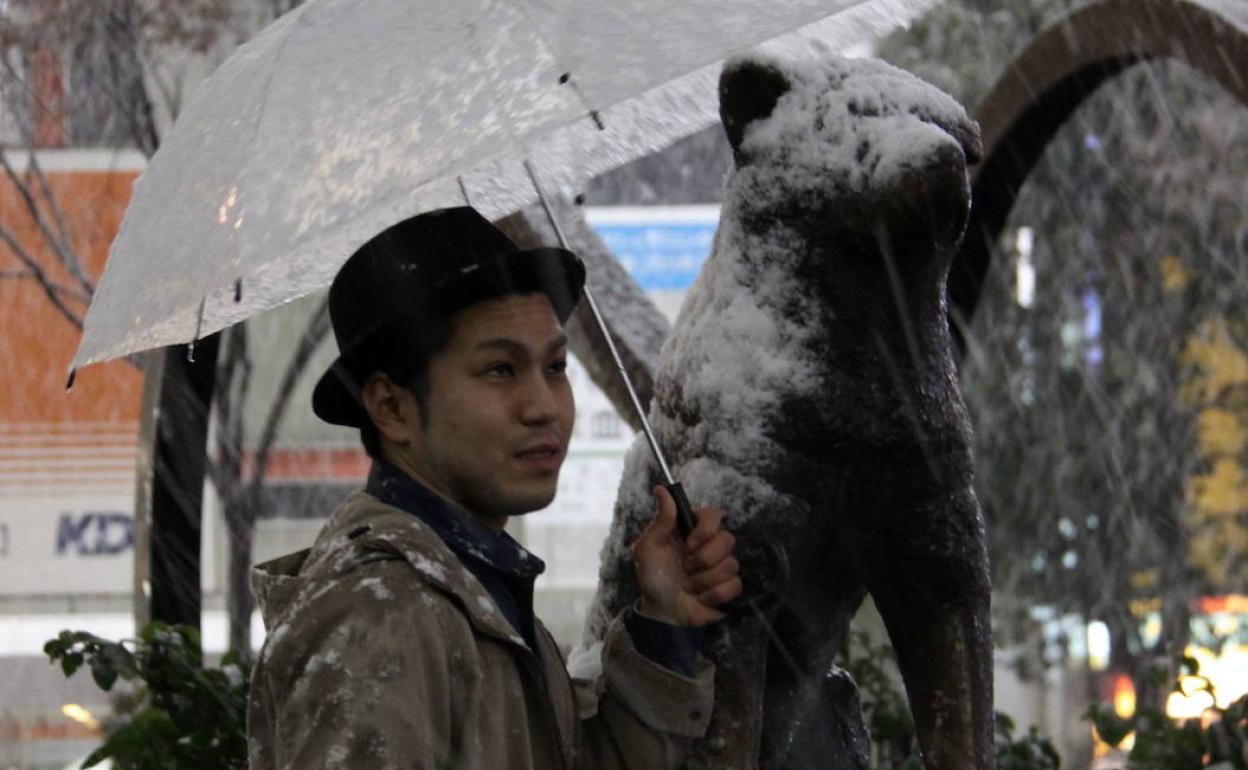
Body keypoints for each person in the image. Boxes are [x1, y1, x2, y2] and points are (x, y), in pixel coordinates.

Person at [246, 207, 742, 769]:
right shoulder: (381, 616)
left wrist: (664, 627)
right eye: (500, 370)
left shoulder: (472, 589)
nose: (544, 407)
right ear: (392, 407)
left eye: (555, 367)